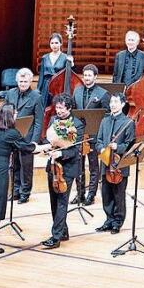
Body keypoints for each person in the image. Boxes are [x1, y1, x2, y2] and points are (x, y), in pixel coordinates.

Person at [0, 104, 47, 254]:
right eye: (15, 114)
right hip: (0, 171)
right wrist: (44, 147)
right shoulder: (12, 133)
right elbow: (28, 148)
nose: (17, 116)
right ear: (10, 116)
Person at [41, 93, 83, 249]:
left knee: (62, 201)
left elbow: (76, 150)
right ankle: (63, 231)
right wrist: (46, 148)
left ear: (69, 108)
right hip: (53, 166)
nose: (58, 111)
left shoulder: (77, 124)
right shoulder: (53, 120)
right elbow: (48, 139)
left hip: (68, 168)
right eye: (57, 107)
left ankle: (55, 237)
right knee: (54, 201)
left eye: (61, 108)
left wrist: (61, 153)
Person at [2, 68, 44, 204]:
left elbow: (39, 121)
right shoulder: (10, 93)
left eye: (25, 81)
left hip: (27, 136)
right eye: (20, 81)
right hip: (12, 135)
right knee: (13, 165)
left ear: (30, 81)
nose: (23, 84)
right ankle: (14, 191)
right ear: (17, 81)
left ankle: (25, 192)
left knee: (26, 166)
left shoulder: (36, 97)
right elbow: (4, 113)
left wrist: (34, 141)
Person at [95, 94, 135, 234]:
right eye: (111, 101)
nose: (112, 104)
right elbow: (98, 140)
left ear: (123, 104)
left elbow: (129, 144)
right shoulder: (104, 121)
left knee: (119, 195)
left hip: (119, 164)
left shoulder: (128, 122)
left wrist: (117, 147)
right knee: (106, 194)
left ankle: (118, 222)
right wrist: (101, 148)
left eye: (116, 102)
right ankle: (109, 220)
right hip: (106, 162)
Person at [70, 64, 110, 205]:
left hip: (94, 135)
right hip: (79, 135)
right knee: (78, 166)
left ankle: (91, 195)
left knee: (93, 166)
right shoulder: (77, 91)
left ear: (95, 77)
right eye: (85, 75)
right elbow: (73, 110)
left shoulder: (103, 94)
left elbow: (106, 116)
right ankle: (80, 194)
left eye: (89, 75)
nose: (86, 78)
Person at [36, 32, 69, 107]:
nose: (54, 45)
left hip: (58, 86)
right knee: (44, 107)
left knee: (56, 106)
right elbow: (41, 75)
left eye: (56, 43)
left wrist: (71, 63)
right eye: (52, 43)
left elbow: (68, 74)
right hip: (46, 85)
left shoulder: (65, 57)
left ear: (60, 43)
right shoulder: (45, 57)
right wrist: (38, 89)